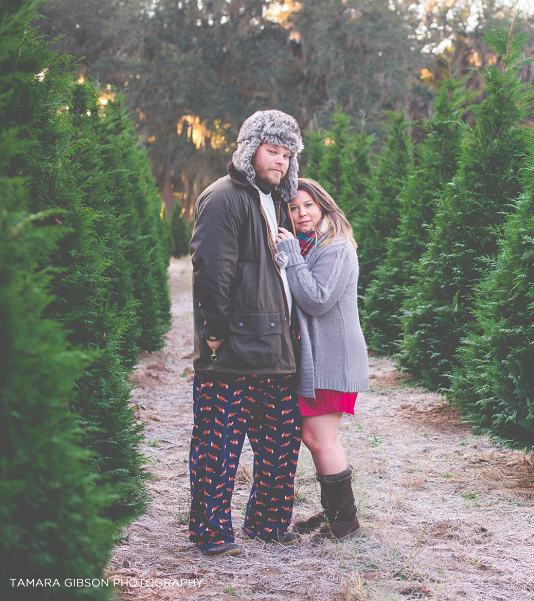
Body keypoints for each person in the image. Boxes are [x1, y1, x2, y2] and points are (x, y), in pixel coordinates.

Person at [188, 110, 304, 557]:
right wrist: (213, 335)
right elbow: (210, 269)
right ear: (250, 149)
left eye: (286, 154)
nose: (280, 161)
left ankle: (269, 524)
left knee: (280, 441)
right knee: (218, 445)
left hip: (274, 349)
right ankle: (212, 532)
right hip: (231, 349)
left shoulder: (273, 202)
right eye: (272, 150)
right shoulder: (224, 197)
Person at [273, 178, 369, 541]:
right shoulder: (307, 245)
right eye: (294, 209)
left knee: (319, 438)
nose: (301, 214)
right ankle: (337, 516)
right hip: (318, 358)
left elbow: (316, 300)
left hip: (334, 359)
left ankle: (346, 526)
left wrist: (291, 256)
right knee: (317, 437)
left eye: (308, 206)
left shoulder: (336, 247)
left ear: (323, 206)